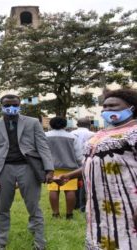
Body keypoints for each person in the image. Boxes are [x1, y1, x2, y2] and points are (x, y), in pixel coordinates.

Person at [58, 89, 137, 249]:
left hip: (128, 202)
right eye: (105, 107)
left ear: (132, 108)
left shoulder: (134, 132)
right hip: (98, 203)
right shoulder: (101, 133)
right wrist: (71, 175)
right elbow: (96, 161)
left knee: (127, 239)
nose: (107, 110)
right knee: (103, 237)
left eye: (113, 106)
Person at [0, 94, 54, 250]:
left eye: (15, 104)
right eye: (8, 105)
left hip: (28, 167)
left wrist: (49, 169)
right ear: (1, 106)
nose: (11, 108)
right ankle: (1, 243)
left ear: (19, 105)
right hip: (4, 169)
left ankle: (40, 243)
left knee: (33, 206)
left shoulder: (33, 122)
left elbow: (43, 146)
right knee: (3, 207)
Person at [45, 117, 83, 219]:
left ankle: (55, 214)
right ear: (65, 125)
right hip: (70, 169)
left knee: (53, 190)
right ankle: (69, 214)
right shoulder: (73, 137)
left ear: (51, 125)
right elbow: (79, 155)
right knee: (70, 191)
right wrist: (81, 166)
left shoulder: (45, 136)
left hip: (51, 168)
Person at [71, 118, 95, 212]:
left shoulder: (71, 134)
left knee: (74, 182)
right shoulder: (92, 134)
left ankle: (75, 204)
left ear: (77, 124)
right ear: (89, 125)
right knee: (84, 184)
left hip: (73, 160)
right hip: (87, 160)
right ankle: (82, 205)